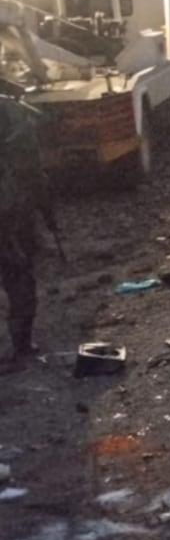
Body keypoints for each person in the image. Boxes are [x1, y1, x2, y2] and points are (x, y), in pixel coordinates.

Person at [0, 92, 49, 363]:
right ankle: (21, 343)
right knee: (19, 274)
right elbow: (31, 163)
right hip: (9, 211)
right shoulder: (11, 111)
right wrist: (43, 200)